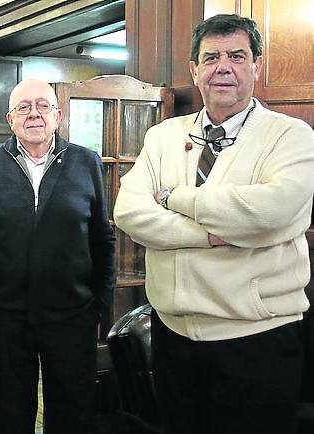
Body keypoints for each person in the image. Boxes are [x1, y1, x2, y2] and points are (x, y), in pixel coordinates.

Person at [113, 14, 314, 434]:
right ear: (194, 69)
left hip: (257, 339)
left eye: (237, 56)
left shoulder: (291, 136)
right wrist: (209, 235)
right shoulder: (163, 136)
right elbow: (129, 212)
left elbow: (269, 211)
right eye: (211, 57)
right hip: (173, 339)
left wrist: (174, 198)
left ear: (256, 66)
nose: (223, 67)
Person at [0, 78, 115, 433]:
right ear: (11, 119)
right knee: (11, 416)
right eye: (24, 107)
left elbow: (102, 239)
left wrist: (98, 306)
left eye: (42, 106)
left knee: (72, 416)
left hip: (72, 317)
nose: (33, 113)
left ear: (58, 116)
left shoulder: (86, 162)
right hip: (6, 320)